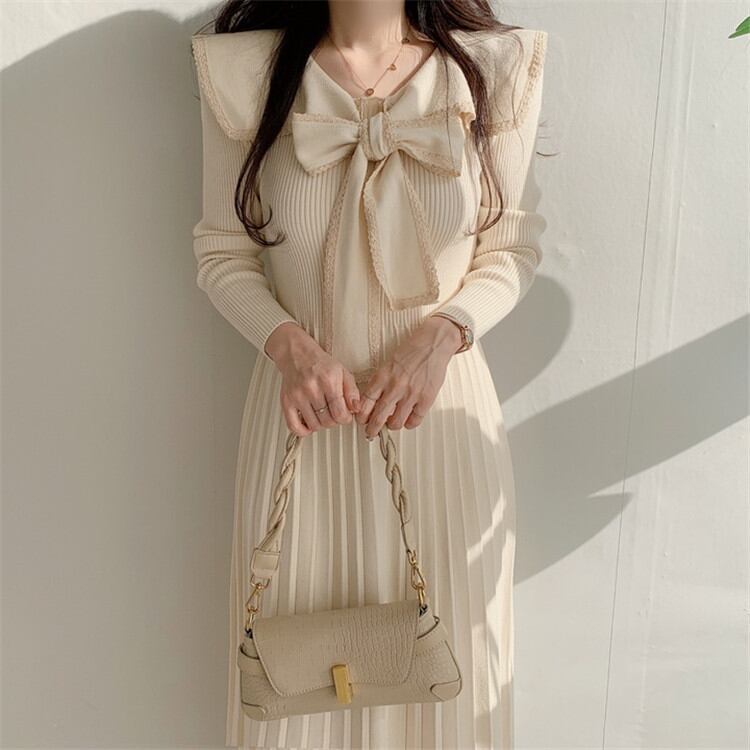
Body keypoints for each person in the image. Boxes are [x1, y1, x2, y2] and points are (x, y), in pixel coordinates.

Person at [190, 1, 548, 747]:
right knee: (294, 692)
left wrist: (442, 337)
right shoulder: (245, 74)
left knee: (453, 693)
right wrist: (290, 348)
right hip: (302, 421)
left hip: (440, 422)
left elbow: (510, 247)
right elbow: (222, 252)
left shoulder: (494, 69)